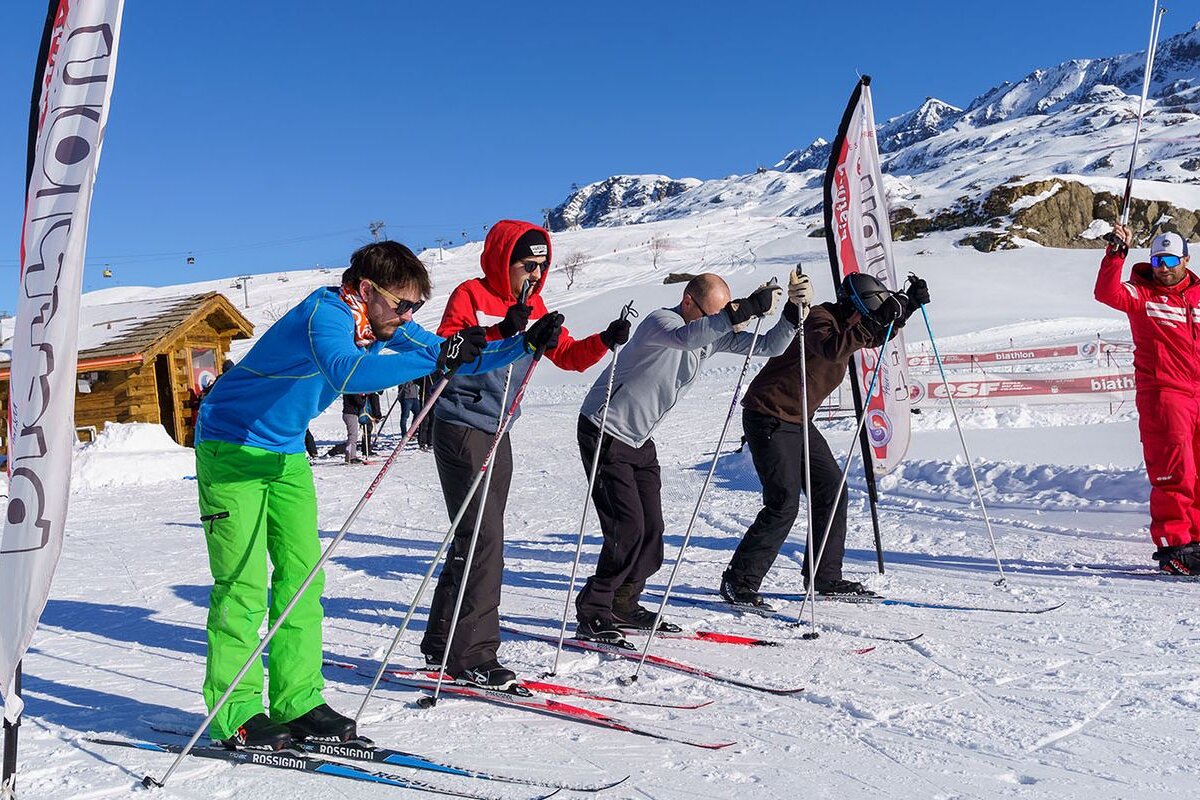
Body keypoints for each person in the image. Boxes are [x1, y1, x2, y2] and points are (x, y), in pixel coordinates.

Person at [194, 241, 533, 751]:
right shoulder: (325, 314)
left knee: (302, 580)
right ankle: (234, 711)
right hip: (231, 448)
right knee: (242, 586)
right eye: (403, 304)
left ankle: (297, 700)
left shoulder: (382, 321)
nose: (409, 315)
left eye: (415, 306)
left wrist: (522, 344)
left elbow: (450, 354)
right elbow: (347, 371)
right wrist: (439, 357)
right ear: (368, 289)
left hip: (285, 454)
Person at [421, 220, 623, 690]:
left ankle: (442, 640)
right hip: (462, 425)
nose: (534, 274)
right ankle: (472, 654)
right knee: (484, 539)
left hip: (499, 429)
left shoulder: (536, 305)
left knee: (475, 537)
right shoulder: (469, 295)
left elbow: (568, 356)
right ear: (502, 261)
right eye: (526, 265)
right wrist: (503, 330)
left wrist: (604, 340)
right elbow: (451, 355)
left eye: (541, 267)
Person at [573, 272, 797, 646]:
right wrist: (737, 313)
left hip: (639, 439)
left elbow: (770, 346)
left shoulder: (711, 333)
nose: (720, 321)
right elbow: (688, 338)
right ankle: (593, 611)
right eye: (714, 314)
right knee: (626, 528)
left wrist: (792, 312)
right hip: (604, 429)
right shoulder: (662, 322)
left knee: (652, 530)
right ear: (689, 301)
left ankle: (624, 604)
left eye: (722, 314)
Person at [722, 270, 929, 611]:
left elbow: (874, 335)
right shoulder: (819, 318)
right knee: (783, 502)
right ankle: (739, 580)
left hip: (798, 420)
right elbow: (833, 349)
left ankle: (824, 577)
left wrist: (907, 309)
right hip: (768, 415)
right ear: (853, 307)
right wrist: (876, 319)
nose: (865, 320)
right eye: (865, 313)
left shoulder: (848, 323)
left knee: (832, 491)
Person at [1096, 225, 1200, 575]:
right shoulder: (1142, 295)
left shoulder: (1198, 296)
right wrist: (1116, 255)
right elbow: (1107, 292)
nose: (1164, 268)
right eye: (1158, 261)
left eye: (1171, 260)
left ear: (1186, 259)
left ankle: (1196, 541)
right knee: (1175, 470)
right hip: (1165, 393)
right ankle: (1174, 547)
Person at [342, 392, 382, 463]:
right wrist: (364, 396)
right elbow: (360, 403)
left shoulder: (349, 390)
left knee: (353, 436)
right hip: (350, 414)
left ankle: (350, 456)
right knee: (352, 436)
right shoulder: (352, 391)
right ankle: (351, 457)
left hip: (350, 414)